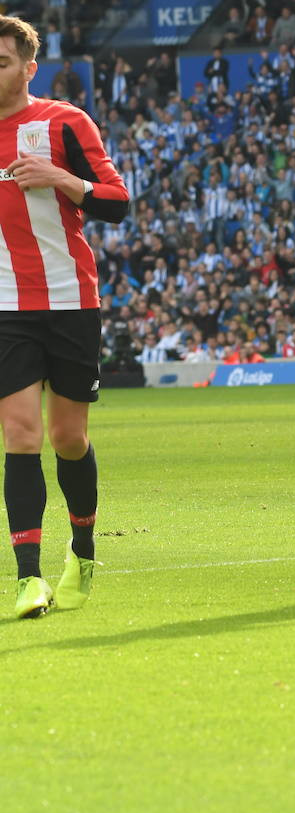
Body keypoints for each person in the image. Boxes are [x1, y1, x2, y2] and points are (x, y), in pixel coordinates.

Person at [0, 15, 129, 619]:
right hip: (6, 309)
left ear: (29, 68)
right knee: (21, 434)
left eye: (2, 62)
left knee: (67, 438)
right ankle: (28, 578)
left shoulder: (64, 121)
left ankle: (82, 552)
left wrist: (60, 179)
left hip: (72, 301)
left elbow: (117, 202)